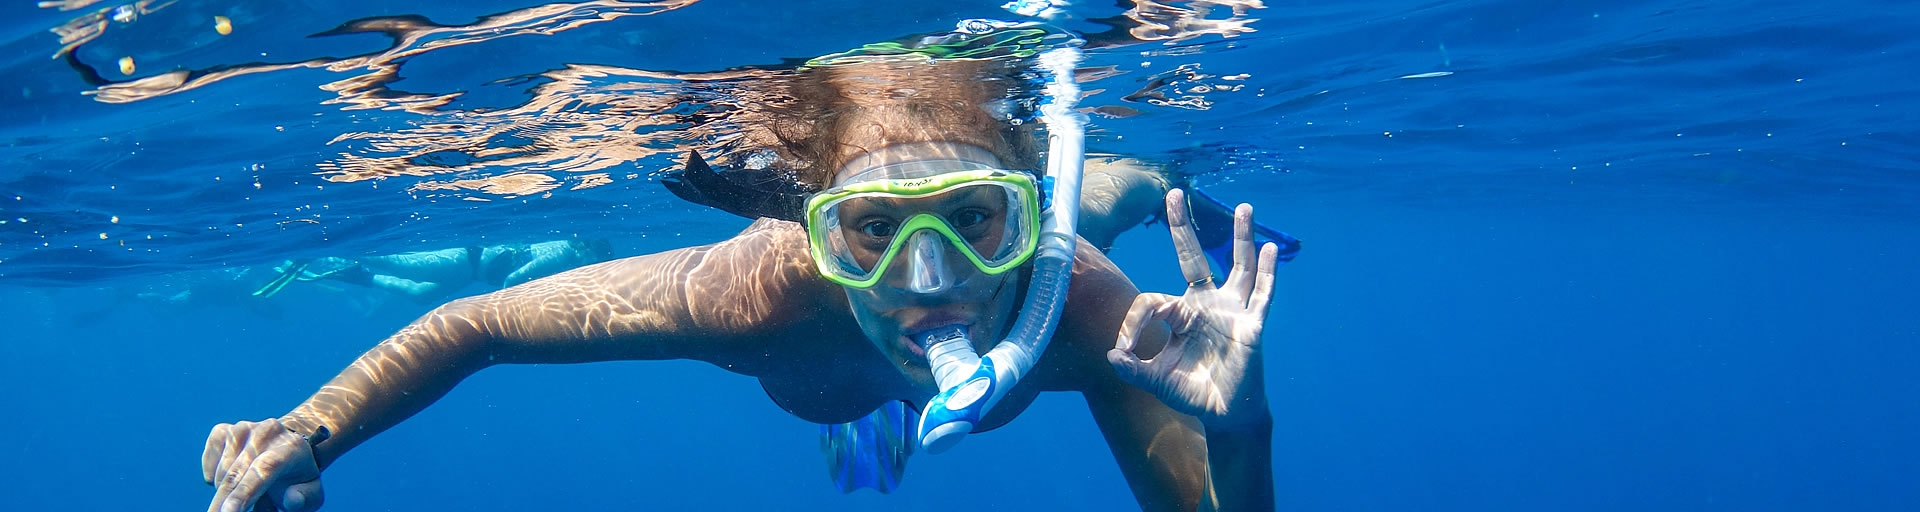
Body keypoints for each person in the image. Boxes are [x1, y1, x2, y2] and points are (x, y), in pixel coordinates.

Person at [202, 39, 1288, 512]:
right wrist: (310, 424)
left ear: (1025, 222)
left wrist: (1243, 428)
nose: (927, 280)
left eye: (975, 220)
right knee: (855, 407)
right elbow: (474, 320)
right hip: (820, 370)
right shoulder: (752, 290)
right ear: (813, 233)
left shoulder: (1091, 312)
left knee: (1123, 186)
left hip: (1035, 237)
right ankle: (873, 420)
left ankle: (1146, 177)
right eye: (868, 229)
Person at [250, 239, 616, 302]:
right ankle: (318, 251)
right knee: (392, 261)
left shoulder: (566, 252)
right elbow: (514, 280)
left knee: (418, 294)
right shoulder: (564, 255)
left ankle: (356, 274)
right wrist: (505, 306)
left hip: (469, 268)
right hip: (464, 262)